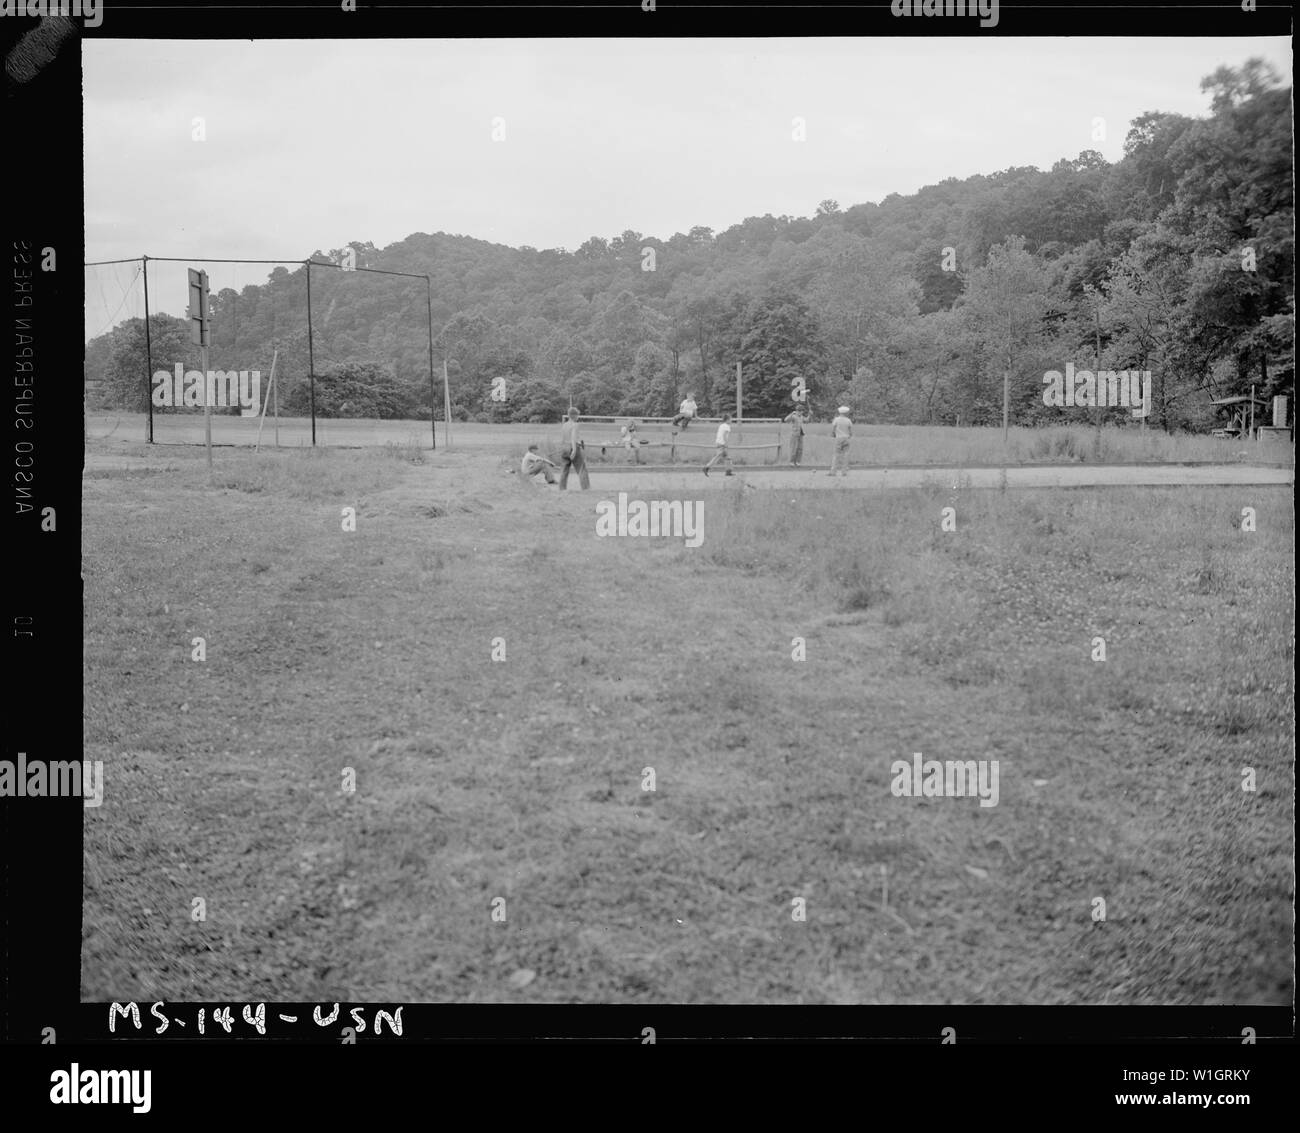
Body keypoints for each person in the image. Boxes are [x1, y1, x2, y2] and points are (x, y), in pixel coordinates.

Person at [558, 407, 590, 490]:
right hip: (572, 447)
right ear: (574, 415)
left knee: (564, 470)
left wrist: (561, 448)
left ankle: (562, 488)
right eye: (577, 415)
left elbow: (562, 438)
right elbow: (573, 438)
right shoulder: (575, 425)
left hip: (564, 447)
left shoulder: (564, 425)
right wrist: (574, 450)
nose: (578, 417)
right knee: (581, 469)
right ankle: (586, 488)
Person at [829, 405, 853, 476]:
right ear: (846, 413)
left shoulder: (836, 419)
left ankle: (833, 472)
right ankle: (844, 472)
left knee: (836, 455)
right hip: (846, 438)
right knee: (846, 455)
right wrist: (849, 436)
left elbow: (833, 430)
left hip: (838, 438)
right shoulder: (848, 420)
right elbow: (850, 431)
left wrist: (833, 434)